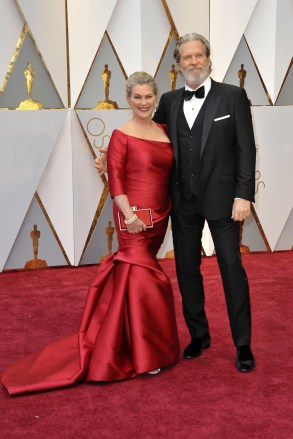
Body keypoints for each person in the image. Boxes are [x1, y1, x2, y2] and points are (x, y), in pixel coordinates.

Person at [1, 72, 179, 396]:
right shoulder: (120, 136)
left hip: (159, 216)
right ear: (128, 100)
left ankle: (124, 341)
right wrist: (129, 216)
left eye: (148, 97)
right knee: (145, 277)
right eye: (137, 97)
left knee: (134, 275)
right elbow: (117, 184)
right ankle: (145, 352)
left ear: (157, 98)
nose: (143, 102)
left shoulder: (165, 131)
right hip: (133, 218)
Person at [96, 33, 256, 373]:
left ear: (209, 58)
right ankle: (199, 335)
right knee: (186, 271)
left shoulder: (233, 96)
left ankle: (243, 344)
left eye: (199, 55)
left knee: (231, 268)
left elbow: (246, 149)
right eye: (187, 57)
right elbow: (148, 142)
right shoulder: (167, 101)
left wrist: (244, 195)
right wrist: (109, 162)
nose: (194, 62)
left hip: (225, 200)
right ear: (178, 64)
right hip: (181, 202)